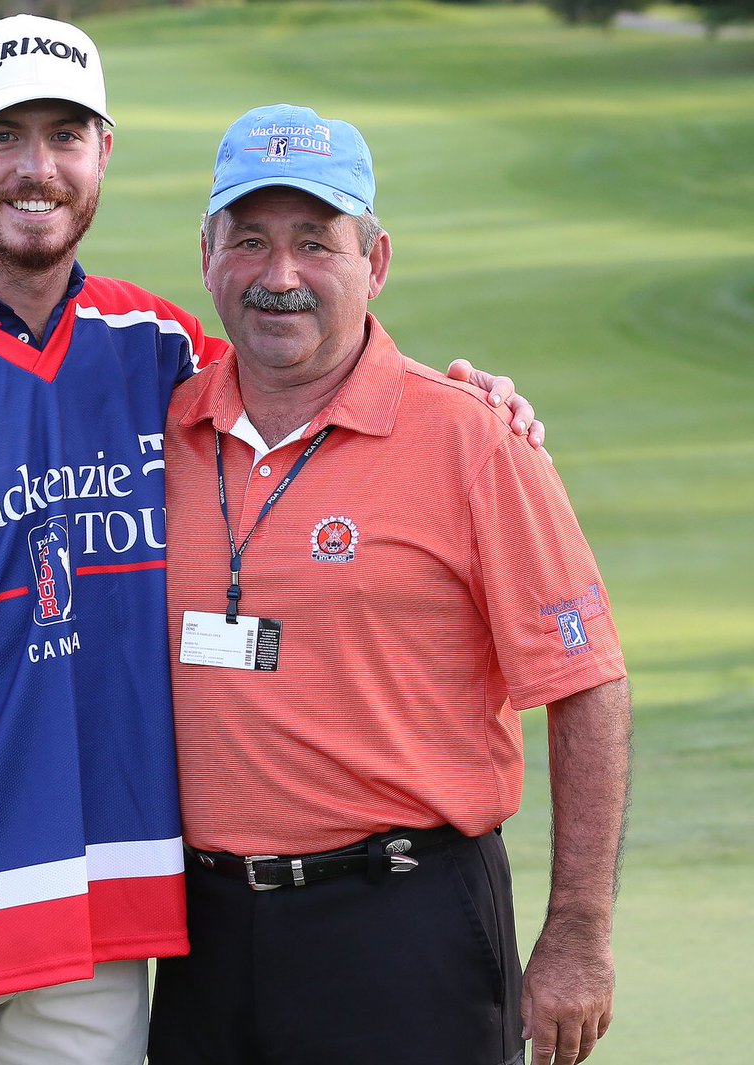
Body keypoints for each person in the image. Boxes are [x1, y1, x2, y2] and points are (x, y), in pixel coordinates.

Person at [0, 17, 543, 1065]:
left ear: (103, 154)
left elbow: (307, 360)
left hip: (105, 924)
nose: (38, 168)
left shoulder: (157, 347)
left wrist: (473, 403)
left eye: (66, 136)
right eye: (4, 137)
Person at [151, 104, 631, 1065]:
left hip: (405, 925)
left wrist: (578, 930)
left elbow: (585, 682)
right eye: (249, 241)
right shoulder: (157, 425)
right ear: (206, 257)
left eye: (315, 243)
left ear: (374, 262)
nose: (278, 276)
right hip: (200, 936)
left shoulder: (472, 437)